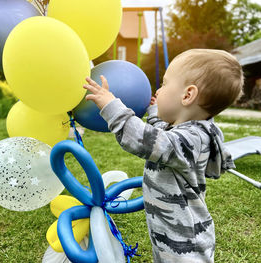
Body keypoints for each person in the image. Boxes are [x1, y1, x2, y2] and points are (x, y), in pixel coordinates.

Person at [83, 49, 244, 262]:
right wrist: (154, 113)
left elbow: (148, 141)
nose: (158, 91)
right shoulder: (185, 133)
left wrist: (112, 106)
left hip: (186, 246)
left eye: (164, 84)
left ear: (187, 95)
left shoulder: (194, 139)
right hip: (170, 238)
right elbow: (165, 135)